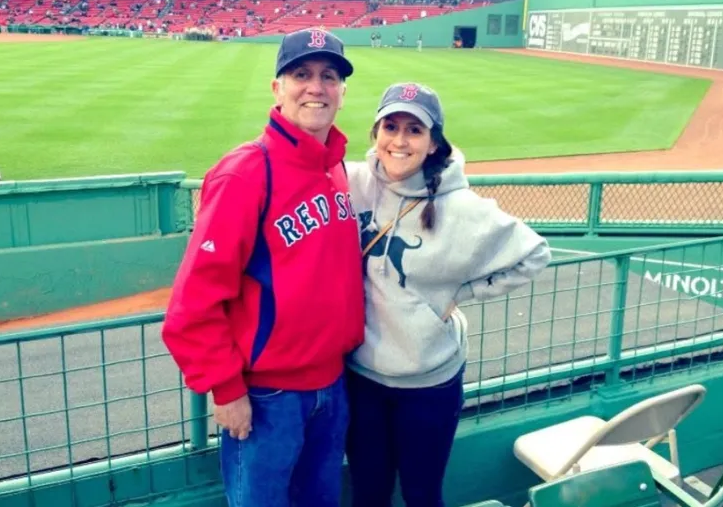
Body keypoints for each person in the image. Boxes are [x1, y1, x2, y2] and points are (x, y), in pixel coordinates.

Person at [161, 28, 365, 507]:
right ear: (278, 88)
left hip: (331, 388)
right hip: (267, 398)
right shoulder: (245, 173)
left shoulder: (333, 166)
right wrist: (226, 389)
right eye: (301, 75)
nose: (316, 87)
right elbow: (192, 303)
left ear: (341, 92)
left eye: (328, 76)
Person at [344, 82, 552, 507]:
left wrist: (463, 292)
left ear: (434, 141)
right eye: (390, 126)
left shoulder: (463, 207)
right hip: (361, 378)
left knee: (422, 495)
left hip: (428, 383)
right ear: (376, 132)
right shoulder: (354, 182)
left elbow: (534, 253)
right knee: (368, 493)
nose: (399, 140)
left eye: (414, 130)